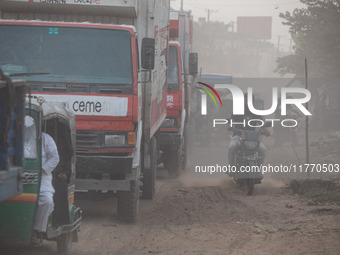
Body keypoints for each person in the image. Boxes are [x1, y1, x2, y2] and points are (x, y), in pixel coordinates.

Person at [228, 94, 270, 171]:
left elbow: (261, 123)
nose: (248, 102)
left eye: (250, 101)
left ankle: (258, 168)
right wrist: (230, 126)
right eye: (246, 100)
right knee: (232, 147)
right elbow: (231, 120)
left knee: (263, 149)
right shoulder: (237, 111)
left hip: (252, 138)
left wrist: (266, 130)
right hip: (238, 136)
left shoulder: (255, 112)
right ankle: (232, 167)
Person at [31, 132, 59, 246]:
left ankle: (37, 231)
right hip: (18, 176)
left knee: (47, 201)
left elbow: (55, 157)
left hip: (42, 177)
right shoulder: (14, 135)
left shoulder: (45, 138)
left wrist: (42, 170)